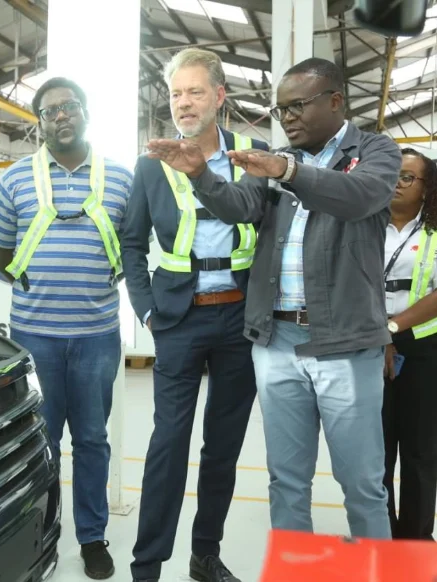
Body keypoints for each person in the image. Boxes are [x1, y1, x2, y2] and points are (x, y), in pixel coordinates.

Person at [145, 57, 402, 540]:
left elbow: (358, 197)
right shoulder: (278, 159)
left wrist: (287, 171)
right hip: (276, 340)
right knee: (287, 480)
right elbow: (242, 207)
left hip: (344, 343)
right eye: (280, 110)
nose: (287, 119)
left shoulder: (375, 151)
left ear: (335, 101)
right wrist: (201, 175)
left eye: (297, 106)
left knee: (362, 485)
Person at [122, 48, 268, 582]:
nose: (183, 103)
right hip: (179, 320)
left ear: (220, 96)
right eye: (176, 93)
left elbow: (263, 224)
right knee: (168, 444)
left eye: (195, 92)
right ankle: (147, 566)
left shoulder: (254, 154)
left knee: (223, 448)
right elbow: (132, 244)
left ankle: (205, 555)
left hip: (240, 320)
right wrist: (147, 310)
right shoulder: (150, 165)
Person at [0, 77, 132, 580]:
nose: (60, 117)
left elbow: (133, 247)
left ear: (86, 112)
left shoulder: (121, 179)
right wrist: (33, 283)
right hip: (34, 337)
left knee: (91, 439)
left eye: (69, 107)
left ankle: (92, 537)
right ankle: (41, 531)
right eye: (49, 112)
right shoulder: (16, 179)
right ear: (40, 123)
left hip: (96, 337)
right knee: (40, 442)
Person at [382, 148, 437, 540]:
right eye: (390, 175)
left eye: (406, 177)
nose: (396, 183)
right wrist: (379, 335)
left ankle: (416, 540)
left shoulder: (434, 231)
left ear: (425, 187)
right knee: (376, 455)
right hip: (369, 349)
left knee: (419, 452)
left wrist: (394, 327)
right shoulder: (363, 225)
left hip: (422, 351)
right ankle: (380, 534)